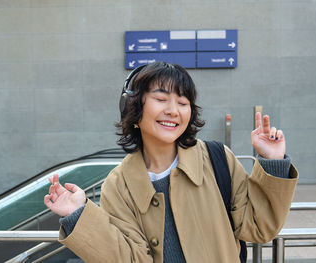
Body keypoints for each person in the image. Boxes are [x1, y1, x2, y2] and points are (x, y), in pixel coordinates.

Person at [44, 62, 298, 263]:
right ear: (133, 107)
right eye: (161, 99)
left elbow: (259, 227)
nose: (174, 110)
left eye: (183, 102)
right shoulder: (118, 185)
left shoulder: (217, 158)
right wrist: (78, 216)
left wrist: (272, 160)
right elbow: (129, 258)